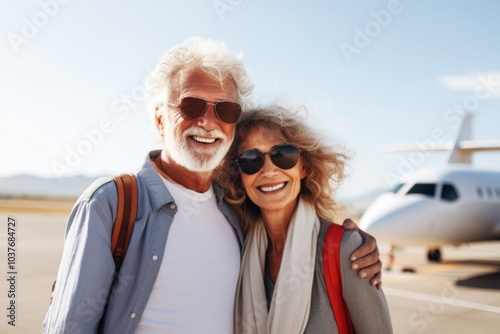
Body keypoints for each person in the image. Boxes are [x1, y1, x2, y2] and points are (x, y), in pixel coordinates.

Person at [43, 37, 382, 334]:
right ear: (160, 119)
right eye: (190, 106)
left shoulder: (236, 210)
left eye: (225, 110)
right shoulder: (111, 205)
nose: (208, 122)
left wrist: (354, 244)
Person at [216, 105, 393, 333]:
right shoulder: (237, 250)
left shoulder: (346, 250)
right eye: (251, 159)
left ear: (304, 167)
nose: (268, 171)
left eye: (283, 155)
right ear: (239, 175)